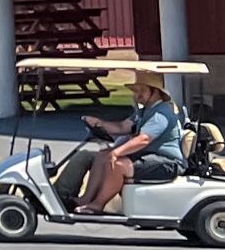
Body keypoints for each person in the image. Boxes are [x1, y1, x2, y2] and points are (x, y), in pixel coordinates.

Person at [75, 69, 182, 214]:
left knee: (118, 163)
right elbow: (122, 127)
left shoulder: (161, 113)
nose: (137, 95)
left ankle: (98, 205)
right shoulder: (144, 112)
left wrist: (116, 152)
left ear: (155, 92)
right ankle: (85, 200)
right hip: (149, 157)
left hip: (167, 162)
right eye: (136, 90)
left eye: (142, 90)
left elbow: (143, 139)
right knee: (102, 156)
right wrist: (100, 123)